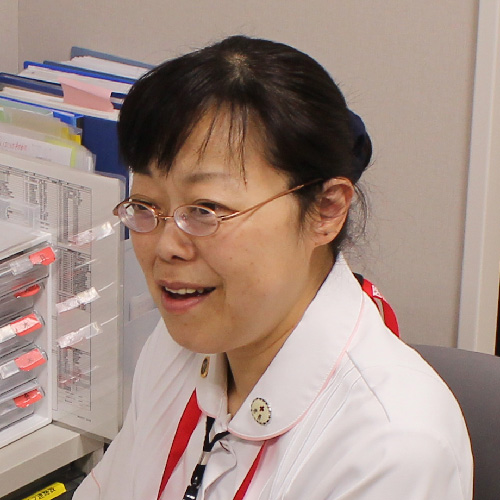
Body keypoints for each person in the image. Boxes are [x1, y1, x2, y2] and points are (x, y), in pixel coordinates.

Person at [73, 35, 472, 499]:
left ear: (325, 209)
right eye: (145, 206)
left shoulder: (393, 448)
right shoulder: (176, 345)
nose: (165, 247)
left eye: (205, 210)